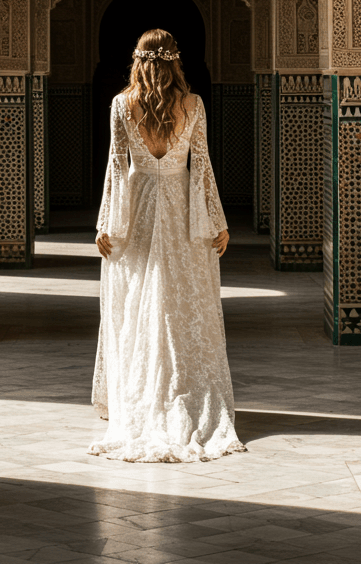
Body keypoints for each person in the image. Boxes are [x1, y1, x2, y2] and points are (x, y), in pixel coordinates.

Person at [89, 28, 246, 463]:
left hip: (137, 208)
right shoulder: (192, 105)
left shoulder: (122, 104)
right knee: (181, 302)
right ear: (175, 62)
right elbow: (202, 166)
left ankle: (142, 399)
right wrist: (216, 220)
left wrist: (107, 224)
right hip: (181, 208)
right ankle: (182, 397)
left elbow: (117, 169)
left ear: (138, 61)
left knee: (137, 301)